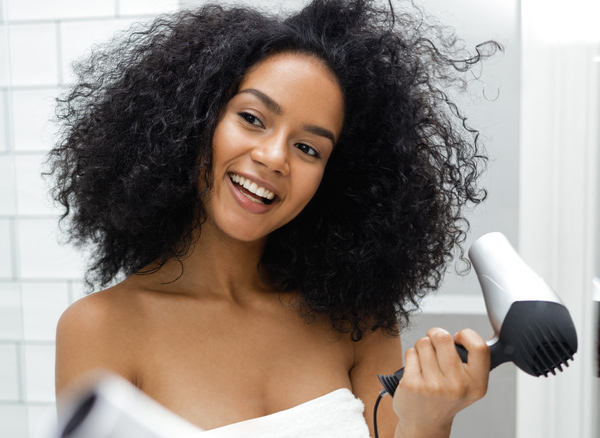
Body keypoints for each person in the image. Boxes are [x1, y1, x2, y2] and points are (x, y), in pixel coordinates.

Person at [50, 1, 500, 436]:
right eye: (251, 118)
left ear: (335, 177)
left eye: (308, 148)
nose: (273, 158)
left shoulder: (355, 321)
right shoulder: (101, 327)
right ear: (195, 119)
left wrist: (429, 423)